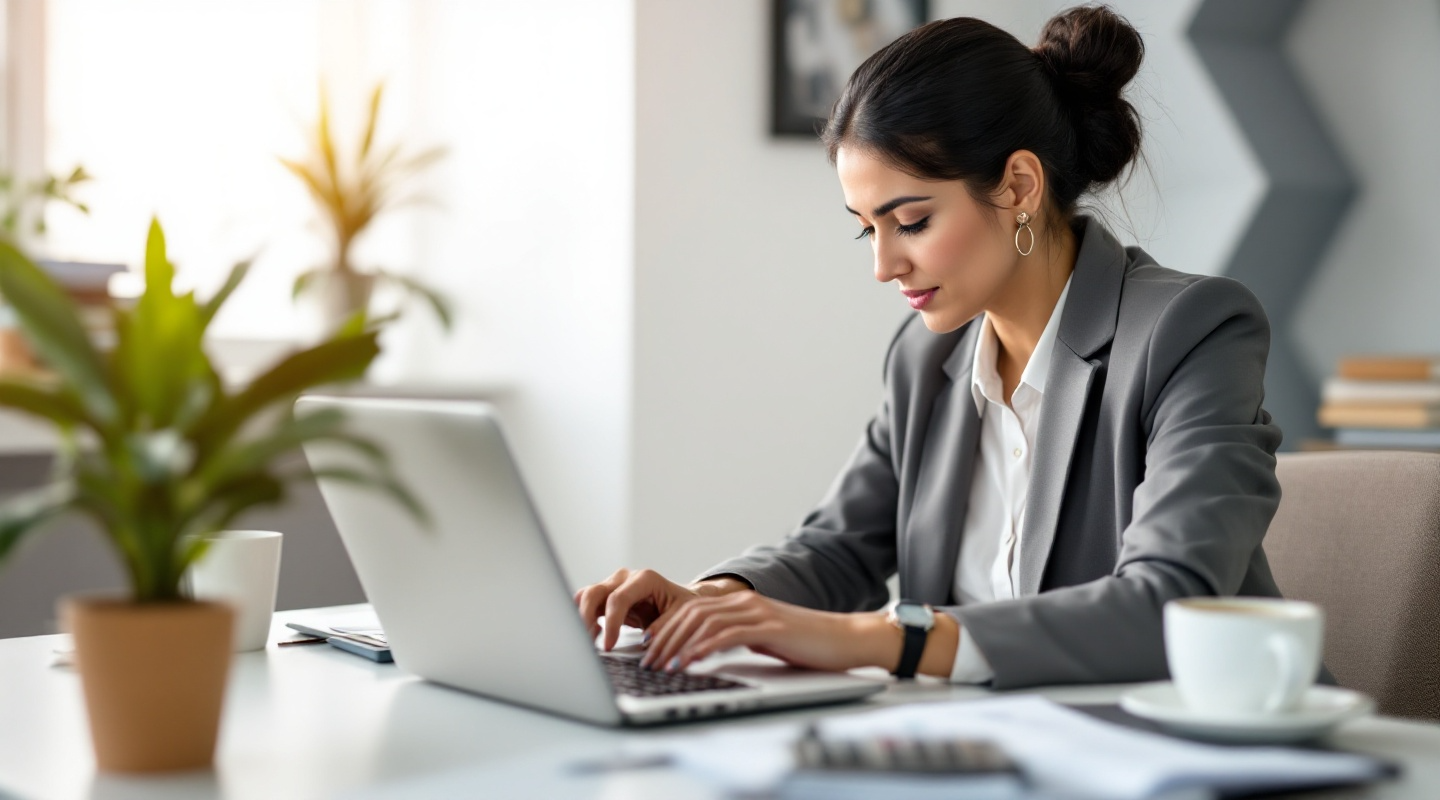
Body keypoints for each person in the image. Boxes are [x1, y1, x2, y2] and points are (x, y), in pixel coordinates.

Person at [574, 5, 1285, 690]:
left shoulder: (1192, 330)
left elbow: (1169, 602)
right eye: (866, 228)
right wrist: (713, 599)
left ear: (1018, 186)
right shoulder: (926, 362)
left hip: (1200, 751)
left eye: (909, 221)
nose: (884, 265)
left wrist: (888, 638)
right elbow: (839, 548)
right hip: (989, 749)